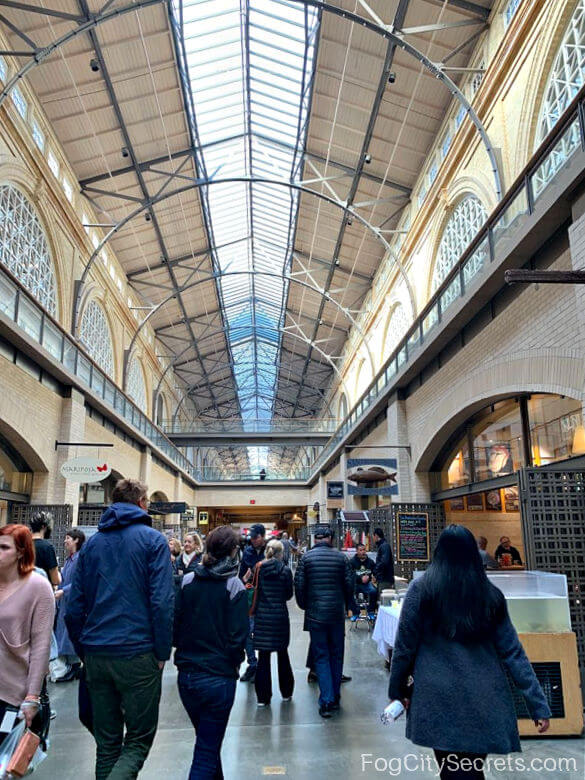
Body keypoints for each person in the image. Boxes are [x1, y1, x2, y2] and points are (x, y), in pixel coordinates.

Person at [388, 525, 550, 780]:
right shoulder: (490, 595)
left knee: (451, 771)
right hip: (484, 698)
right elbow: (513, 653)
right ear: (474, 555)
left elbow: (404, 648)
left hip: (437, 697)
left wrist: (397, 691)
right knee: (471, 770)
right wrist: (538, 705)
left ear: (438, 553)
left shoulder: (422, 591)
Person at [66, 478, 174, 780]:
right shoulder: (153, 541)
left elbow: (73, 608)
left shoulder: (93, 545)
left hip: (97, 654)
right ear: (141, 503)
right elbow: (162, 602)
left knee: (107, 744)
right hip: (137, 652)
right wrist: (162, 651)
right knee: (138, 741)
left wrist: (83, 650)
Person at [174, 525, 248, 780]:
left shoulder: (188, 581)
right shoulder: (234, 585)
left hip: (188, 677)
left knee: (207, 741)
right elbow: (239, 636)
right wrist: (232, 663)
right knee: (206, 750)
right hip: (218, 677)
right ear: (231, 552)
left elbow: (175, 623)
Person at [0, 525, 54, 741]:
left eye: (4, 548)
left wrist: (32, 696)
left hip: (12, 692)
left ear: (21, 552)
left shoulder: (38, 587)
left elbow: (41, 646)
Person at [294, 525, 354, 718]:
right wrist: (346, 603)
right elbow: (349, 584)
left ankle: (326, 700)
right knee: (336, 655)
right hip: (336, 614)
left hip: (316, 614)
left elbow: (300, 585)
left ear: (315, 539)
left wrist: (305, 605)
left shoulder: (306, 558)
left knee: (321, 656)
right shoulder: (341, 558)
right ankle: (335, 696)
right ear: (329, 538)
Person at [252, 540, 294, 706]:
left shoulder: (259, 568)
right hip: (280, 617)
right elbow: (289, 595)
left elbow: (255, 589)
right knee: (283, 655)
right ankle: (286, 692)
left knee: (263, 657)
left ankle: (263, 697)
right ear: (281, 553)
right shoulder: (285, 571)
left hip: (262, 616)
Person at [52, 528, 86, 683]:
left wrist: (63, 591)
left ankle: (73, 665)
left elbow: (81, 582)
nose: (65, 541)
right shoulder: (69, 559)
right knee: (62, 634)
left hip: (71, 603)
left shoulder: (80, 559)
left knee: (68, 634)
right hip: (63, 603)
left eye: (68, 538)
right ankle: (70, 665)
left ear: (76, 540)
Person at [238, 523, 266, 683]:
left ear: (262, 537)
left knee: (262, 633)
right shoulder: (247, 552)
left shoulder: (269, 551)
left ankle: (261, 666)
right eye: (252, 538)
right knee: (248, 632)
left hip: (265, 598)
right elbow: (241, 576)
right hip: (250, 598)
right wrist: (245, 579)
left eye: (256, 537)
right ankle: (252, 664)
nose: (253, 540)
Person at [30, 510, 61, 587]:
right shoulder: (47, 547)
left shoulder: (22, 544)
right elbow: (55, 580)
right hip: (41, 592)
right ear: (43, 527)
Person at [349, 543, 377, 620]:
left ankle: (371, 611)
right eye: (360, 550)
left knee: (374, 591)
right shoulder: (352, 562)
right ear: (357, 551)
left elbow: (376, 572)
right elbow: (350, 575)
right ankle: (355, 612)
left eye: (364, 550)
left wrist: (374, 577)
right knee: (349, 592)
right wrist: (360, 578)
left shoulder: (370, 562)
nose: (363, 552)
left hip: (367, 585)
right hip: (356, 584)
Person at [373, 527, 394, 594]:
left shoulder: (384, 546)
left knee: (384, 598)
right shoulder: (383, 545)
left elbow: (384, 562)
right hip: (384, 578)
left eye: (373, 536)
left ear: (376, 535)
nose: (373, 539)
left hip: (385, 579)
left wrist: (375, 571)